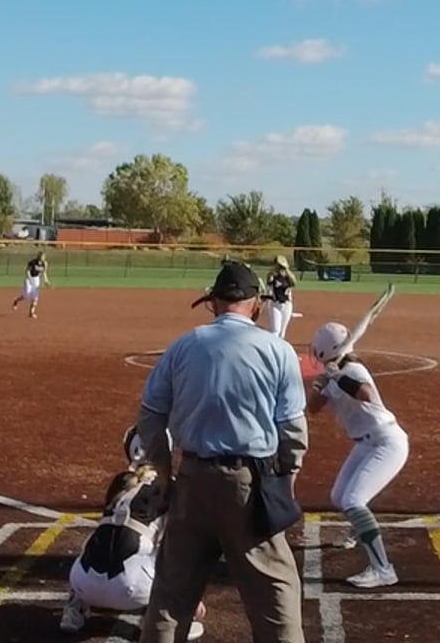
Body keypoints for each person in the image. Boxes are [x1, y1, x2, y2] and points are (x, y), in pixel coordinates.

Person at [133, 262, 308, 643]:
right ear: (257, 305)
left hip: (191, 482)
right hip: (249, 486)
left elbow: (150, 416)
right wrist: (285, 481)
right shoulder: (278, 350)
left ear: (213, 302)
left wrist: (163, 472)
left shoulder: (183, 346)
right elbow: (293, 432)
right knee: (276, 596)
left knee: (170, 598)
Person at [307, 321, 409, 589]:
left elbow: (365, 393)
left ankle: (383, 569)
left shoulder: (353, 369)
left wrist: (337, 376)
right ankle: (358, 530)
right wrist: (319, 385)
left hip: (387, 442)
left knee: (353, 501)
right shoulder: (335, 372)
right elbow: (313, 409)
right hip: (366, 444)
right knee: (338, 496)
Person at [62, 465, 208, 639]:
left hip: (81, 583)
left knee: (94, 542)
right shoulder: (167, 491)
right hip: (132, 590)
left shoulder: (120, 495)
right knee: (173, 551)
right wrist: (192, 598)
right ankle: (175, 618)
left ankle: (74, 609)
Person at [264, 255, 297, 340]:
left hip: (287, 305)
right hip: (275, 304)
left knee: (282, 332)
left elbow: (294, 282)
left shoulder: (288, 277)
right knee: (275, 330)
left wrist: (286, 269)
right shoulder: (273, 275)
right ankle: (272, 346)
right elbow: (269, 280)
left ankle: (279, 346)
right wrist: (274, 270)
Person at [12, 253, 49, 317]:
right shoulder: (33, 262)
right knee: (26, 295)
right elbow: (27, 271)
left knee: (35, 297)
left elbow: (44, 272)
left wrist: (46, 280)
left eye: (43, 257)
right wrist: (30, 278)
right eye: (40, 257)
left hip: (36, 280)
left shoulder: (45, 263)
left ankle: (31, 313)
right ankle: (16, 300)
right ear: (38, 257)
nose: (41, 258)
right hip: (29, 279)